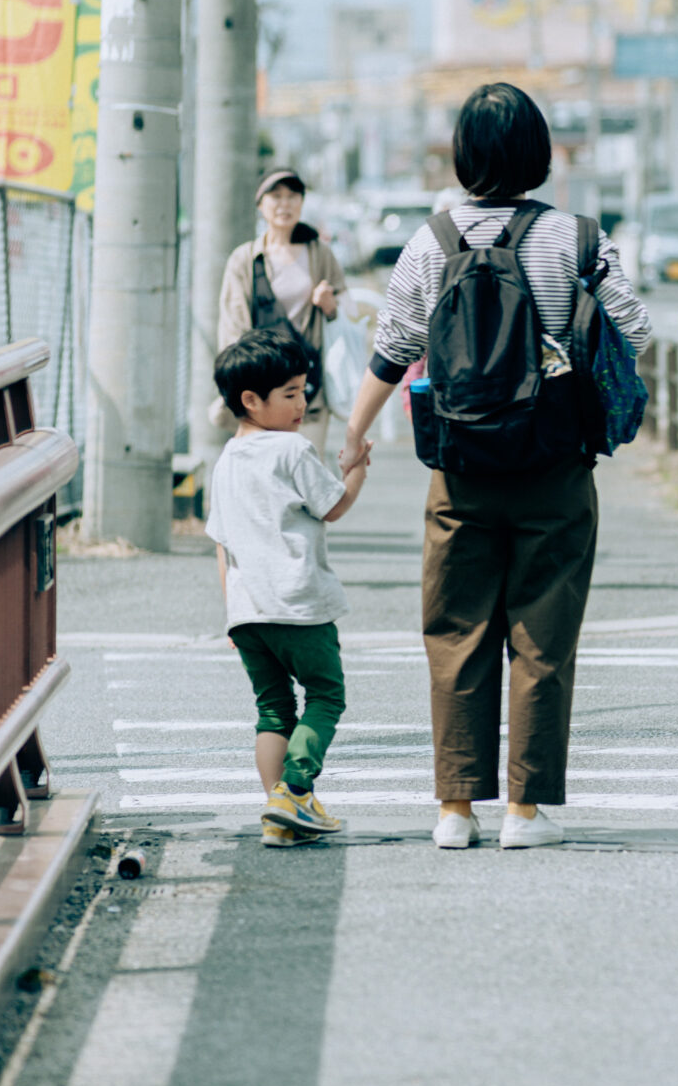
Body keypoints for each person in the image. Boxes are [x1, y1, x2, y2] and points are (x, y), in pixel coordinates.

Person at [337, 82, 650, 852]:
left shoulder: (430, 243)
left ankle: (454, 810)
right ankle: (524, 813)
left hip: (461, 465)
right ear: (538, 153)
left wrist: (353, 435)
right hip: (555, 463)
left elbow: (394, 348)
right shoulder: (577, 240)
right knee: (542, 635)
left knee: (455, 631)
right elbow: (637, 328)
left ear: (463, 155)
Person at [207, 329, 371, 849]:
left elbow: (221, 544)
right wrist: (356, 470)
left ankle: (279, 812)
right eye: (291, 394)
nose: (303, 403)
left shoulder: (226, 461)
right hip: (299, 603)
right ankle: (295, 789)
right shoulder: (293, 449)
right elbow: (334, 506)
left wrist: (231, 611)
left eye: (304, 390)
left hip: (248, 610)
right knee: (326, 695)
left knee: (274, 709)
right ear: (251, 401)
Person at [217, 169, 348, 455]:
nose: (284, 204)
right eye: (275, 196)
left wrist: (328, 304)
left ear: (302, 202)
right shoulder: (245, 259)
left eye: (292, 196)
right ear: (260, 203)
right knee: (264, 473)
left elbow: (344, 313)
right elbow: (233, 328)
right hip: (262, 390)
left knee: (307, 467)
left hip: (308, 387)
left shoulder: (319, 253)